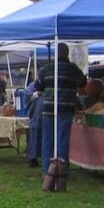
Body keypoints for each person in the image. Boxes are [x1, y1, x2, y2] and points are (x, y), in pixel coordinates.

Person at [37, 42, 87, 191]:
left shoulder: (45, 69)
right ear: (67, 53)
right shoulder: (73, 69)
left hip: (48, 108)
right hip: (66, 107)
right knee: (62, 139)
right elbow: (83, 83)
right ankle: (62, 171)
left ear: (55, 53)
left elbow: (39, 87)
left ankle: (47, 170)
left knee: (47, 139)